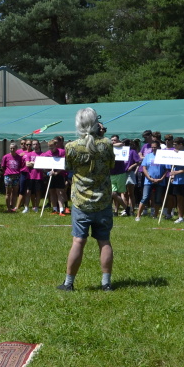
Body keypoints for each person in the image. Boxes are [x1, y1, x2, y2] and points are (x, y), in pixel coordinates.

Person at [59, 108, 115, 292]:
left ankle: (68, 283)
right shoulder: (106, 144)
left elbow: (68, 167)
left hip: (81, 201)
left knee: (78, 241)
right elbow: (111, 165)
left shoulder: (71, 146)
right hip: (103, 200)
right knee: (104, 241)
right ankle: (106, 283)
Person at [1, 141, 25, 212]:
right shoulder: (6, 157)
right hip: (8, 176)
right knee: (8, 193)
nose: (12, 150)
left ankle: (13, 207)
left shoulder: (19, 158)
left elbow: (21, 166)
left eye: (13, 148)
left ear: (16, 149)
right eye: (11, 148)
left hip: (16, 176)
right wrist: (6, 173)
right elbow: (3, 167)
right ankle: (8, 207)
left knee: (15, 192)